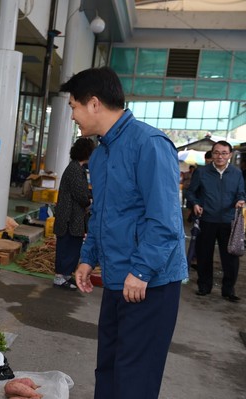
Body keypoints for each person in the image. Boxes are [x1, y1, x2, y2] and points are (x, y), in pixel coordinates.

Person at [62, 67, 188, 399]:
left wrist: (142, 269)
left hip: (150, 282)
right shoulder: (101, 154)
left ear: (93, 104)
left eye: (73, 106)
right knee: (110, 366)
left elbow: (166, 221)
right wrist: (88, 259)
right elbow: (103, 214)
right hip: (120, 277)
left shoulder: (149, 144)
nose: (72, 115)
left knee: (136, 376)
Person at [185, 141, 245, 302]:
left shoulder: (236, 173)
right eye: (217, 152)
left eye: (224, 153)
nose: (220, 156)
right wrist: (196, 203)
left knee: (230, 258)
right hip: (207, 219)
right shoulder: (202, 172)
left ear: (230, 155)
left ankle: (228, 290)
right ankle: (204, 286)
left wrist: (240, 201)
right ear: (212, 154)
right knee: (204, 255)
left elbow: (241, 193)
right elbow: (191, 193)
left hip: (228, 221)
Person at [52, 137, 95, 290]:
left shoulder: (76, 168)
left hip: (71, 217)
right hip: (70, 218)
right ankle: (60, 277)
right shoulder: (75, 170)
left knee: (71, 247)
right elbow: (80, 195)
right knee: (68, 247)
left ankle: (65, 276)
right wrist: (89, 202)